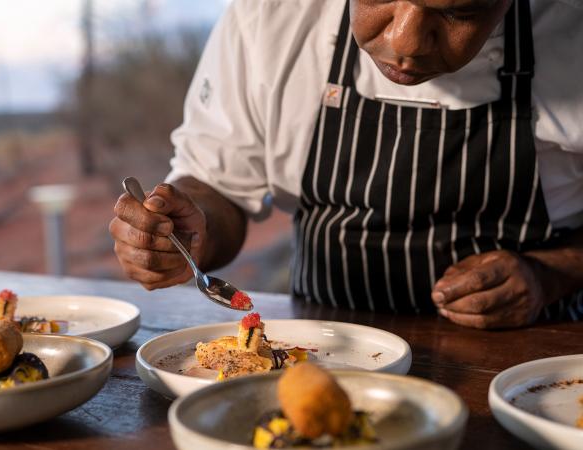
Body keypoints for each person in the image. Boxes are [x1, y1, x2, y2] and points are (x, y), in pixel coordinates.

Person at [109, 0, 583, 329]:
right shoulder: (273, 19)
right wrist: (190, 231)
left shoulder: (572, 27)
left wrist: (551, 274)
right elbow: (220, 185)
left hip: (532, 371)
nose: (407, 41)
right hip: (321, 354)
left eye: (459, 10)